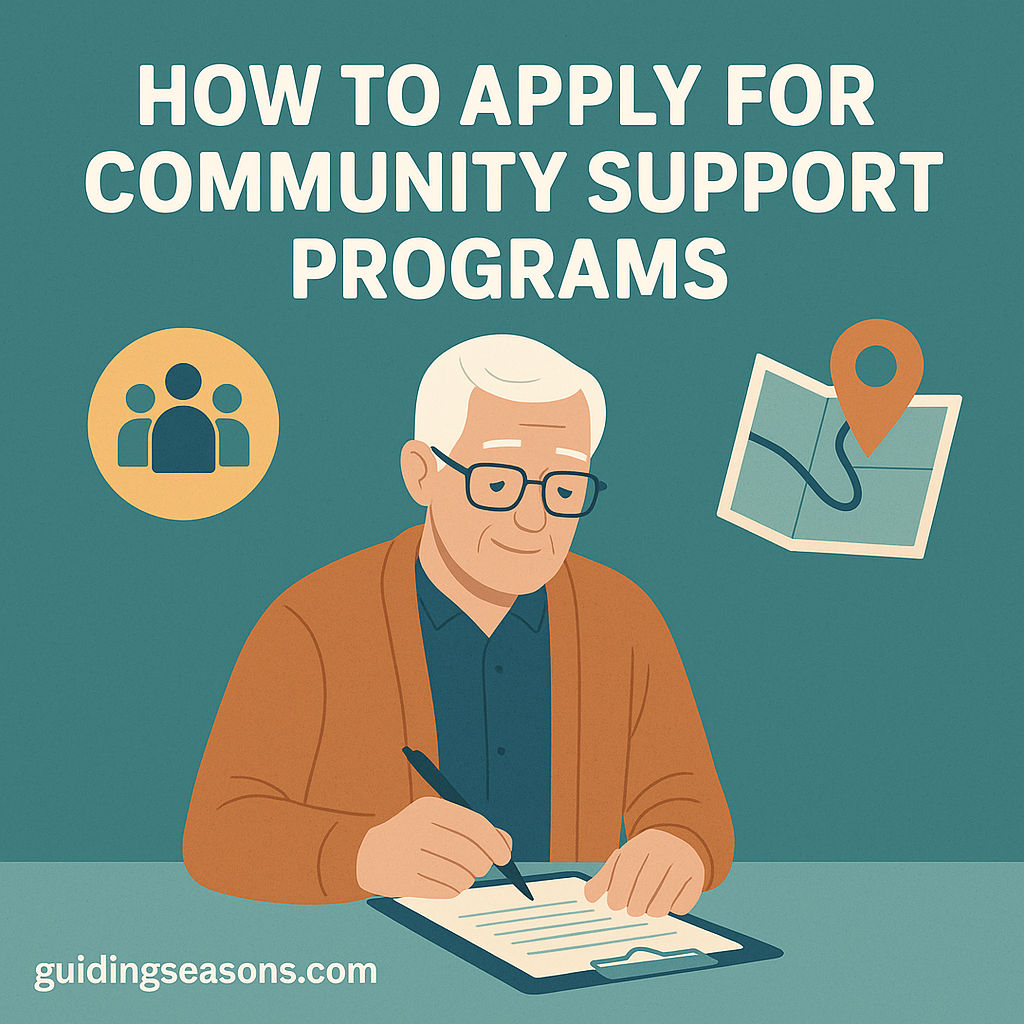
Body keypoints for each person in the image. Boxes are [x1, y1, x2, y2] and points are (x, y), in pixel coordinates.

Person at [183, 335, 733, 917]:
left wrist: (678, 847)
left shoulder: (621, 618)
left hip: (574, 967)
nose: (531, 518)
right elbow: (219, 831)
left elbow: (687, 800)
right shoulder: (314, 622)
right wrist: (365, 854)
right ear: (421, 473)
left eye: (564, 488)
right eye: (497, 483)